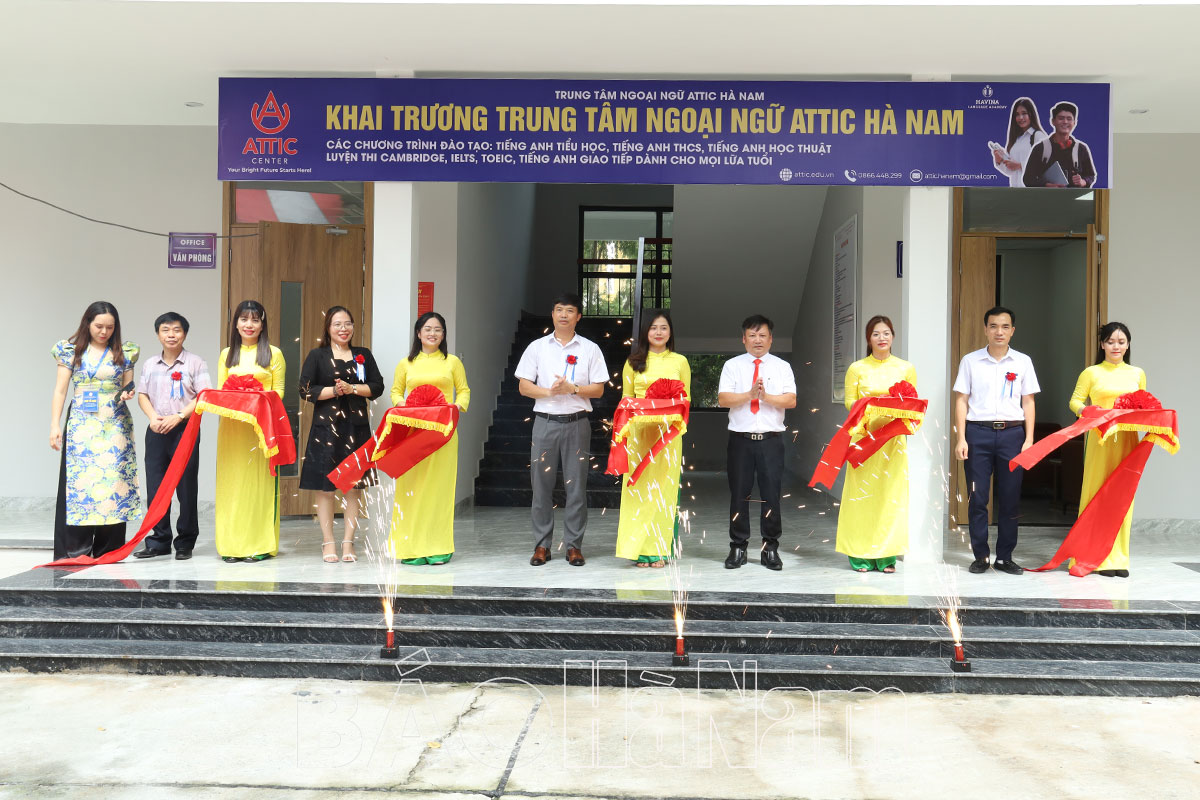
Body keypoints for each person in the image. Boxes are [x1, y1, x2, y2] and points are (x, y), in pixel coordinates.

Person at [515, 293, 608, 567]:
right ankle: (542, 545)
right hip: (544, 423)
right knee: (540, 486)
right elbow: (523, 386)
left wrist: (573, 389)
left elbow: (599, 389)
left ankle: (574, 546)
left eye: (569, 310)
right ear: (552, 314)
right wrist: (549, 392)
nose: (564, 315)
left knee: (576, 487)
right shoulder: (537, 347)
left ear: (578, 316)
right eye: (559, 310)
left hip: (577, 424)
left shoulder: (590, 349)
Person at [49, 301, 141, 560]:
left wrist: (128, 392)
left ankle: (109, 549)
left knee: (113, 483)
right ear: (87, 324)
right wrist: (54, 424)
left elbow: (128, 385)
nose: (104, 332)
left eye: (110, 327)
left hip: (115, 422)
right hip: (82, 422)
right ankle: (75, 549)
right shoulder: (71, 351)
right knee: (80, 483)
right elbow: (60, 390)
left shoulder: (125, 352)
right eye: (99, 326)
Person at [953, 306, 1040, 575]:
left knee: (1010, 498)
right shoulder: (970, 361)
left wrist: (1029, 439)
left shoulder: (1023, 362)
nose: (998, 332)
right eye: (993, 326)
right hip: (977, 434)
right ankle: (981, 556)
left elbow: (1028, 401)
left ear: (1012, 330)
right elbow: (961, 400)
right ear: (985, 329)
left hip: (1013, 436)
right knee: (977, 497)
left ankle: (1004, 557)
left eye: (1004, 327)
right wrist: (961, 438)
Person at [299, 306, 384, 563]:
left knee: (353, 487)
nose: (343, 329)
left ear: (353, 327)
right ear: (328, 328)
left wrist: (353, 388)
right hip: (326, 430)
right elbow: (305, 390)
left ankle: (348, 542)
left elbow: (377, 387)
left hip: (356, 429)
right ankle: (328, 542)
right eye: (337, 324)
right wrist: (335, 391)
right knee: (325, 489)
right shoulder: (317, 355)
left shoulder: (362, 355)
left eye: (348, 324)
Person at [835, 316, 918, 573]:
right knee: (861, 496)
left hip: (893, 441)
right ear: (868, 339)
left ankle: (886, 556)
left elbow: (913, 404)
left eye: (886, 333)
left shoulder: (906, 368)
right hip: (864, 439)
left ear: (893, 336)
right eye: (875, 334)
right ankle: (859, 554)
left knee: (890, 497)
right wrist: (872, 405)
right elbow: (849, 402)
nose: (882, 338)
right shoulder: (856, 368)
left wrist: (894, 405)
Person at [388, 311, 469, 565]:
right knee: (411, 489)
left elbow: (464, 391)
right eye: (428, 329)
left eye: (438, 330)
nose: (432, 333)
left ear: (443, 335)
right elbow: (395, 392)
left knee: (439, 489)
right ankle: (411, 548)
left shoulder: (452, 362)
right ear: (418, 333)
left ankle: (437, 547)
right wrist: (406, 407)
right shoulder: (406, 363)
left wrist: (455, 407)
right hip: (413, 432)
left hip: (443, 433)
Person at [718, 314, 797, 571]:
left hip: (771, 441)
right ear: (744, 339)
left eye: (763, 335)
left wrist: (766, 397)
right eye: (752, 335)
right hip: (740, 441)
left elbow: (791, 400)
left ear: (771, 339)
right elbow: (723, 399)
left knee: (771, 495)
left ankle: (770, 548)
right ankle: (738, 546)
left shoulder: (782, 367)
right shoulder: (732, 366)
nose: (758, 340)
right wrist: (749, 395)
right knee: (739, 495)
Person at [1067, 322, 1146, 577]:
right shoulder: (1091, 372)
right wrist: (1088, 411)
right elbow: (1075, 401)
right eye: (1111, 341)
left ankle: (1118, 558)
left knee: (1123, 496)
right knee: (1096, 494)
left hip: (1127, 440)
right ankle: (1092, 557)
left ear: (1128, 345)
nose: (1116, 346)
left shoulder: (1137, 373)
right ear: (1102, 344)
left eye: (1121, 342)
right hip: (1100, 440)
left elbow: (1143, 404)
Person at [133, 312, 210, 561]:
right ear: (158, 334)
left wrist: (178, 416)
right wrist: (153, 417)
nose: (171, 335)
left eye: (177, 330)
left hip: (185, 430)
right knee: (156, 487)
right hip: (156, 429)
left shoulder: (195, 363)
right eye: (165, 330)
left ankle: (185, 542)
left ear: (184, 334)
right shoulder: (149, 364)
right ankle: (159, 541)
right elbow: (142, 394)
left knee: (186, 488)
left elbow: (204, 395)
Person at [616, 310, 691, 567]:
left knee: (663, 492)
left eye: (663, 327)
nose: (658, 332)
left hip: (668, 437)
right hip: (639, 436)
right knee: (638, 492)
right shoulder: (633, 362)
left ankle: (658, 550)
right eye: (653, 328)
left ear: (670, 332)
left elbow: (686, 400)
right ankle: (638, 550)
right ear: (645, 332)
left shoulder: (680, 361)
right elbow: (626, 399)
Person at [215, 300, 286, 563]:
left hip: (262, 430)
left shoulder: (274, 354)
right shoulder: (226, 354)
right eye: (244, 319)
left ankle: (259, 545)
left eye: (255, 320)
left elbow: (279, 392)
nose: (249, 325)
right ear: (235, 323)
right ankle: (231, 546)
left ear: (263, 325)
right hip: (232, 430)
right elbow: (221, 391)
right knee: (232, 486)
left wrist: (256, 400)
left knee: (258, 486)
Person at [1022, 101, 1097, 188]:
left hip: (1074, 196)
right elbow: (1027, 179)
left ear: (1074, 123)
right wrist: (1047, 185)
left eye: (1069, 119)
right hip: (1046, 196)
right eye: (1061, 118)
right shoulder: (1040, 148)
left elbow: (1091, 175)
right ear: (1053, 121)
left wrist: (1083, 182)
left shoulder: (1081, 149)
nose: (1065, 122)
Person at [992, 97, 1049, 187]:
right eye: (1017, 114)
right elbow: (1011, 171)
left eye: (1024, 113)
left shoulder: (1038, 136)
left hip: (1032, 191)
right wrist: (1000, 161)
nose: (1020, 117)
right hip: (1016, 190)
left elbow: (1046, 165)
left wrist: (1020, 165)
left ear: (1031, 114)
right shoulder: (1016, 140)